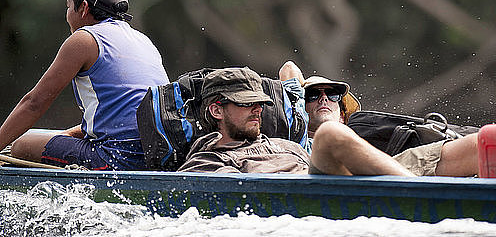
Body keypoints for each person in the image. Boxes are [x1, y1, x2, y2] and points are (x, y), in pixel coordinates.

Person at [0, 0, 169, 170]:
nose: (68, 14)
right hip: (158, 155)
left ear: (84, 9)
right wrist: (69, 135)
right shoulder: (143, 40)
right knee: (44, 137)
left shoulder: (84, 39)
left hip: (117, 159)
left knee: (21, 145)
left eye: (69, 6)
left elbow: (34, 103)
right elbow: (127, 114)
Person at [178, 66, 479, 177]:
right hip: (314, 186)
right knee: (330, 136)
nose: (258, 110)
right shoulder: (207, 160)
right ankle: (418, 194)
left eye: (261, 103)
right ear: (217, 111)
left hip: (367, 172)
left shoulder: (282, 141)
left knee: (478, 144)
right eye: (246, 105)